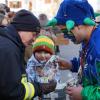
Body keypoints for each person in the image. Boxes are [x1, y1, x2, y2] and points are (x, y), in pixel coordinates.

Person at [47, 0, 100, 100]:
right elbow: (90, 67)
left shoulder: (98, 48)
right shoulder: (87, 39)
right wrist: (72, 65)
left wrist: (84, 94)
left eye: (66, 31)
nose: (65, 36)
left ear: (79, 24)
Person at [0, 9, 56, 100]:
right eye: (33, 34)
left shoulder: (10, 44)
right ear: (22, 29)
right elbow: (13, 92)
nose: (34, 40)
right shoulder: (9, 50)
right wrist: (40, 88)